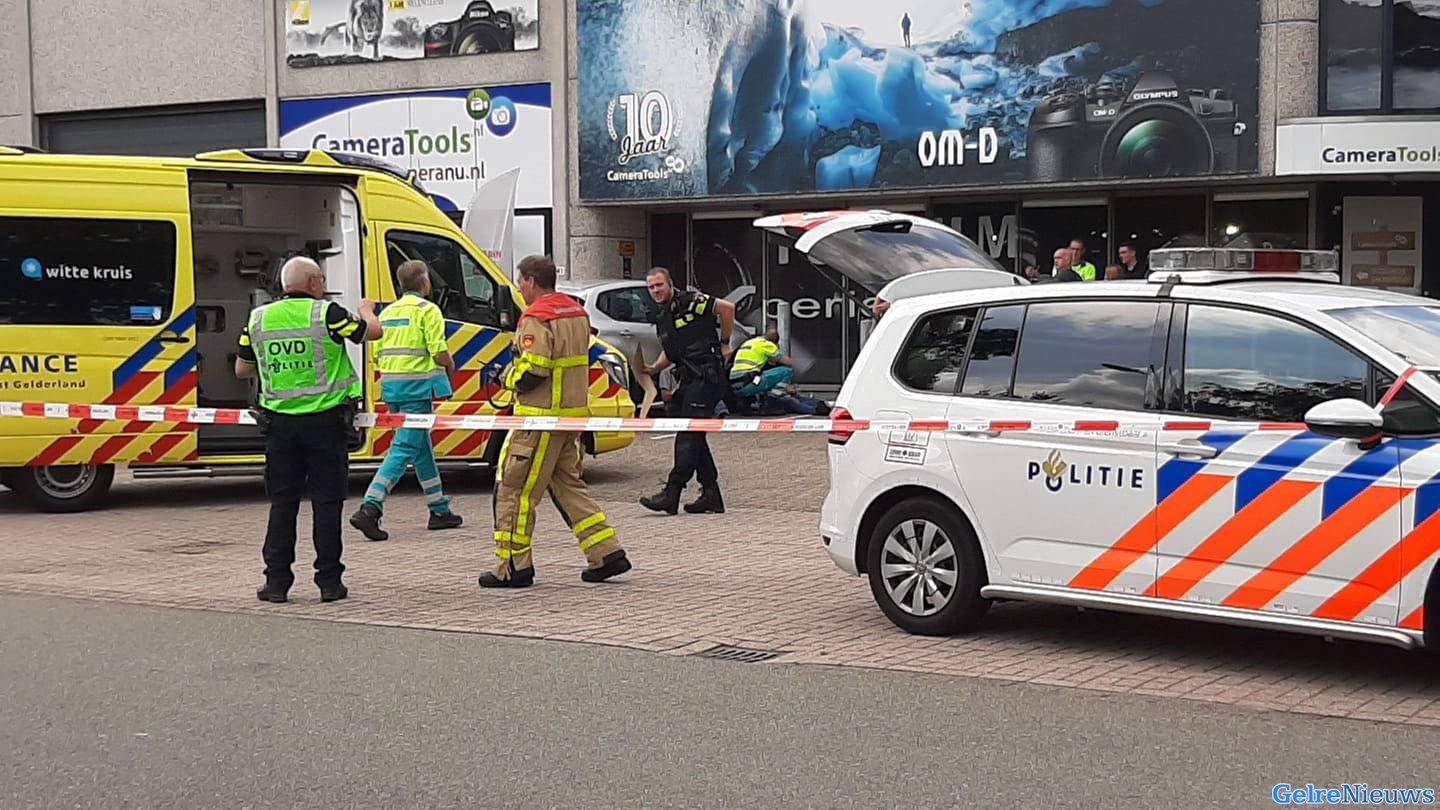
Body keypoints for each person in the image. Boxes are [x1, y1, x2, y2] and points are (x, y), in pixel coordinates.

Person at [235, 256, 381, 604]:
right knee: (327, 504)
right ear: (314, 282)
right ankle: (329, 582)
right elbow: (370, 333)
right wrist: (366, 309)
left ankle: (276, 583)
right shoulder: (327, 313)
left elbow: (243, 369)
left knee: (282, 505)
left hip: (279, 426)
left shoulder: (258, 318)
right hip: (325, 425)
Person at [481, 255, 631, 589]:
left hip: (539, 420)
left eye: (520, 281)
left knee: (513, 489)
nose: (519, 288)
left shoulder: (536, 317)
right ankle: (606, 553)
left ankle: (512, 566)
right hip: (571, 419)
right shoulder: (576, 312)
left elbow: (534, 369)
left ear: (531, 281)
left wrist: (505, 376)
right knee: (568, 487)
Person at [349, 260, 463, 542]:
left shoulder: (389, 312)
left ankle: (439, 509)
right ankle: (370, 507)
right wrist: (450, 365)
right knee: (402, 448)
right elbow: (438, 351)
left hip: (391, 386)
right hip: (417, 388)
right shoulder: (428, 310)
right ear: (425, 283)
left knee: (419, 446)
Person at [639, 267, 736, 516]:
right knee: (694, 435)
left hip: (707, 376)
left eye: (659, 285)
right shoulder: (663, 316)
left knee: (688, 434)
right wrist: (653, 368)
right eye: (651, 287)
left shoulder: (690, 301)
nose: (655, 291)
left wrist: (725, 342)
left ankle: (672, 492)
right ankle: (711, 493)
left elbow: (727, 308)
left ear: (670, 284)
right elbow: (671, 352)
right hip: (690, 379)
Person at [730, 328, 829, 415]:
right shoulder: (766, 344)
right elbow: (788, 362)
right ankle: (770, 403)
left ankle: (747, 405)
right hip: (750, 382)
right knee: (786, 371)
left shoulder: (749, 342)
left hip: (736, 384)